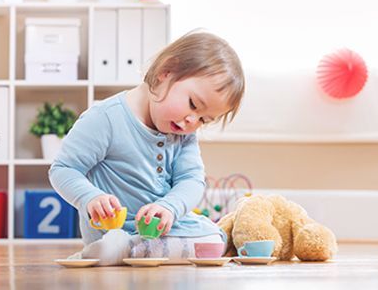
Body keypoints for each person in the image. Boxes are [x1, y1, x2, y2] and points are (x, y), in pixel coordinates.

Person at [49, 31, 245, 265]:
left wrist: (169, 207)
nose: (193, 121)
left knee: (214, 239)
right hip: (115, 230)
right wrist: (90, 197)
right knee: (205, 246)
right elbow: (63, 169)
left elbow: (191, 180)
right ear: (166, 72)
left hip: (165, 230)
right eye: (193, 104)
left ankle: (130, 252)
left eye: (204, 120)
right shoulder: (105, 119)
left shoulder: (184, 134)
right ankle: (121, 249)